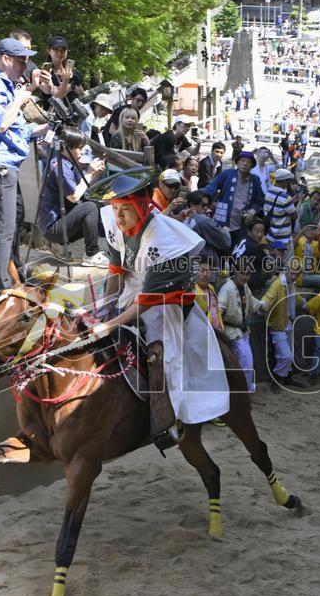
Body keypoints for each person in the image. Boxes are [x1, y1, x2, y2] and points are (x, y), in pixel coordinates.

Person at [93, 187, 230, 448]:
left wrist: (109, 325)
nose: (118, 217)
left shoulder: (165, 241)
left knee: (164, 355)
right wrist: (104, 309)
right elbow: (116, 269)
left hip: (163, 305)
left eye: (126, 209)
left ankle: (170, 419)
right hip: (132, 290)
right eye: (115, 209)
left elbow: (147, 303)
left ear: (142, 208)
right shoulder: (114, 224)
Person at [0, 38, 49, 299]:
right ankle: (1, 287)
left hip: (7, 163)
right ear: (5, 59)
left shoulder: (6, 86)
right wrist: (19, 98)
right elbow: (1, 124)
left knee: (16, 217)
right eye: (21, 60)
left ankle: (14, 271)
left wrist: (50, 126)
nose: (25, 65)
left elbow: (20, 129)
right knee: (5, 226)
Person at [36, 131, 107, 266]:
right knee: (90, 207)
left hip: (60, 220)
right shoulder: (60, 165)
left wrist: (95, 175)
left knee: (94, 204)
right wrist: (89, 174)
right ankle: (91, 254)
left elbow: (82, 189)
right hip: (52, 227)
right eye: (79, 147)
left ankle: (64, 246)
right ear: (66, 147)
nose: (82, 151)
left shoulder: (67, 162)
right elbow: (74, 197)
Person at [259, 254, 306, 392]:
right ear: (287, 270)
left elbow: (295, 297)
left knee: (289, 352)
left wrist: (303, 303)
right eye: (292, 273)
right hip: (278, 325)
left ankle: (287, 377)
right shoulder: (278, 284)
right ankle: (276, 379)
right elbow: (269, 296)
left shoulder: (291, 283)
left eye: (297, 274)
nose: (294, 276)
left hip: (288, 323)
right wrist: (262, 305)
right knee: (286, 355)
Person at [202, 150, 265, 246]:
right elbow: (211, 189)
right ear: (237, 162)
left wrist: (252, 211)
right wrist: (197, 196)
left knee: (236, 249)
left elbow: (260, 199)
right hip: (222, 220)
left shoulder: (255, 180)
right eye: (242, 160)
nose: (245, 164)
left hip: (242, 223)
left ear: (252, 165)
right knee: (220, 246)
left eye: (249, 162)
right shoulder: (227, 174)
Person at [219, 265, 261, 392]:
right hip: (231, 332)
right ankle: (244, 390)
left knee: (239, 364)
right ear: (235, 272)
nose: (244, 277)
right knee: (247, 364)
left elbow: (252, 302)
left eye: (247, 274)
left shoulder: (245, 286)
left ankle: (240, 390)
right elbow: (218, 308)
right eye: (242, 273)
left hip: (243, 331)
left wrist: (263, 305)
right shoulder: (227, 288)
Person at [181, 190, 231, 260]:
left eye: (207, 205)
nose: (206, 208)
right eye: (203, 205)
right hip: (203, 263)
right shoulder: (203, 220)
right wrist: (225, 230)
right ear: (192, 204)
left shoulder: (182, 215)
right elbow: (226, 242)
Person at [262, 168, 297, 249]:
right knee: (287, 260)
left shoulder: (268, 192)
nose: (289, 183)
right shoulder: (285, 198)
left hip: (270, 235)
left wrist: (291, 201)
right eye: (288, 181)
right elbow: (294, 216)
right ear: (284, 181)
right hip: (284, 239)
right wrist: (296, 202)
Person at [193, 259, 222, 330]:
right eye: (202, 271)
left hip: (218, 333)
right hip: (205, 333)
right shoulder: (193, 291)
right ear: (195, 272)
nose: (205, 274)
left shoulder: (211, 287)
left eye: (208, 271)